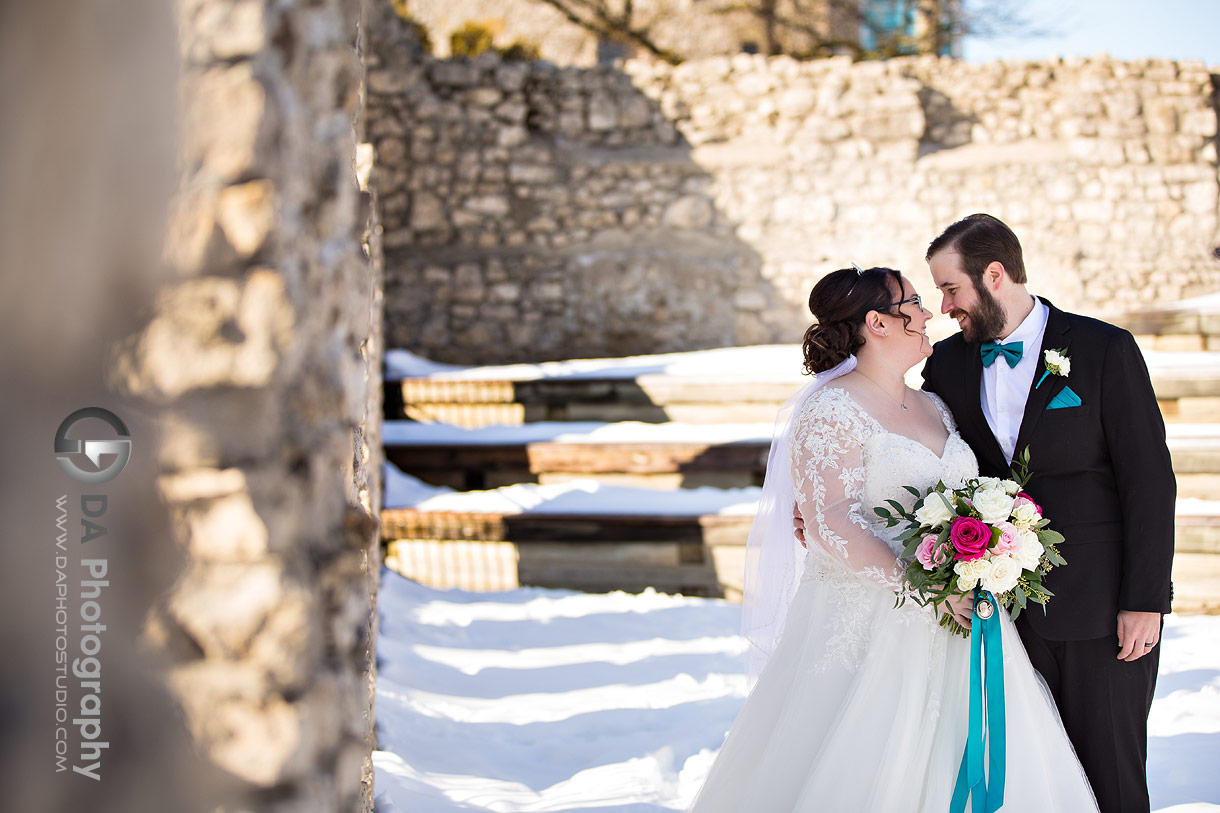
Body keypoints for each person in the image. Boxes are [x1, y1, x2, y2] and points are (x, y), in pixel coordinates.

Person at [689, 266, 1099, 812]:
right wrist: (928, 586)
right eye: (915, 303)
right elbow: (830, 518)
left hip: (964, 619)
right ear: (878, 323)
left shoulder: (935, 406)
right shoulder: (831, 407)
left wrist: (991, 550)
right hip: (873, 619)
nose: (929, 314)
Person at [920, 214, 1176, 813]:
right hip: (1000, 618)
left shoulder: (1103, 348)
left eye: (950, 288)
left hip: (1102, 613)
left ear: (995, 274)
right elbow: (918, 452)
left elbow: (1149, 481)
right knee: (1028, 789)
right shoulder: (947, 364)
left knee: (1110, 781)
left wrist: (1145, 600)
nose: (944, 306)